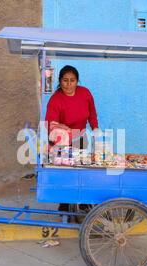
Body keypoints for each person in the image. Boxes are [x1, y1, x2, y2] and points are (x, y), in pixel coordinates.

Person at [45, 65, 99, 214]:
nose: (68, 84)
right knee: (66, 174)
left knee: (83, 171)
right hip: (62, 141)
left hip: (80, 137)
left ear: (77, 81)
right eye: (65, 80)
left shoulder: (85, 93)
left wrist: (95, 128)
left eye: (72, 80)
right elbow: (50, 122)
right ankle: (65, 205)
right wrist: (59, 126)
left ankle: (83, 203)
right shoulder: (56, 99)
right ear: (60, 81)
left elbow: (92, 113)